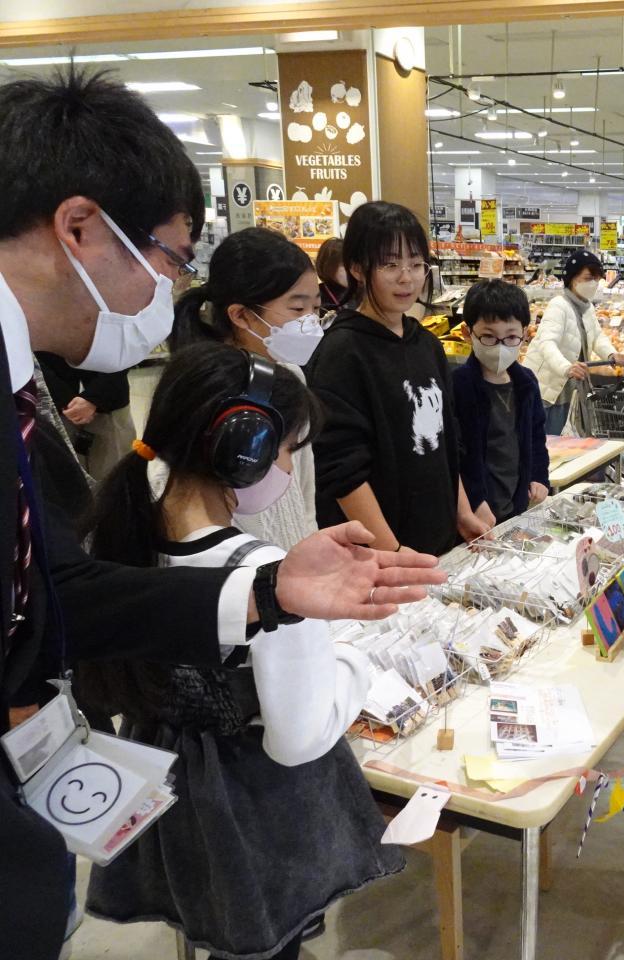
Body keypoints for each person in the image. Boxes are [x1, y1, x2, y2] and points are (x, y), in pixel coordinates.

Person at [0, 69, 442, 960]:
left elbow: (61, 590)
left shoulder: (28, 396)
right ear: (79, 228)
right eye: (170, 258)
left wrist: (270, 592)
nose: (168, 291)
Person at [81, 343, 402, 960]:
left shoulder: (122, 533)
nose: (289, 468)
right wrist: (353, 661)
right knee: (264, 941)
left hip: (168, 783)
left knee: (204, 918)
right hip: (252, 805)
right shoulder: (267, 577)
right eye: (287, 450)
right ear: (245, 447)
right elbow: (299, 738)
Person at [306, 200, 489, 554]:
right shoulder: (342, 352)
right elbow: (341, 468)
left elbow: (446, 441)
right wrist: (391, 552)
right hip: (378, 555)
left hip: (435, 542)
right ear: (357, 268)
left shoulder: (427, 345)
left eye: (416, 264)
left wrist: (463, 513)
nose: (407, 278)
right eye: (390, 264)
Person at [171, 227, 323, 549]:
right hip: (237, 565)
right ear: (240, 315)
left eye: (316, 308)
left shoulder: (291, 378)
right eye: (298, 310)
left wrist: (310, 549)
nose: (310, 322)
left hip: (295, 559)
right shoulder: (206, 394)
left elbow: (303, 490)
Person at [452, 279, 550, 525]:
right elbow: (455, 454)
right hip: (476, 511)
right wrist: (475, 500)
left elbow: (536, 436)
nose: (500, 347)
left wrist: (539, 476)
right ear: (467, 333)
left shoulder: (526, 382)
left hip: (516, 505)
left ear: (524, 334)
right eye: (488, 336)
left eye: (511, 337)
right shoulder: (457, 385)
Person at [525, 249, 624, 435]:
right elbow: (546, 343)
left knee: (554, 436)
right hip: (545, 385)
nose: (593, 283)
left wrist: (611, 353)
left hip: (565, 385)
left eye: (597, 279)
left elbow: (597, 336)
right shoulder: (559, 305)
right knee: (541, 437)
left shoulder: (587, 307)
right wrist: (566, 367)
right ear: (572, 279)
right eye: (588, 278)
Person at [33, 353, 135, 482]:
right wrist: (67, 401)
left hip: (110, 403)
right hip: (54, 407)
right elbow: (27, 357)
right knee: (65, 479)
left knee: (116, 477)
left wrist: (95, 397)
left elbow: (126, 351)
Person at [315, 236, 347, 316]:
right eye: (344, 265)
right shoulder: (316, 295)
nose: (351, 270)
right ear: (328, 266)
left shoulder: (360, 293)